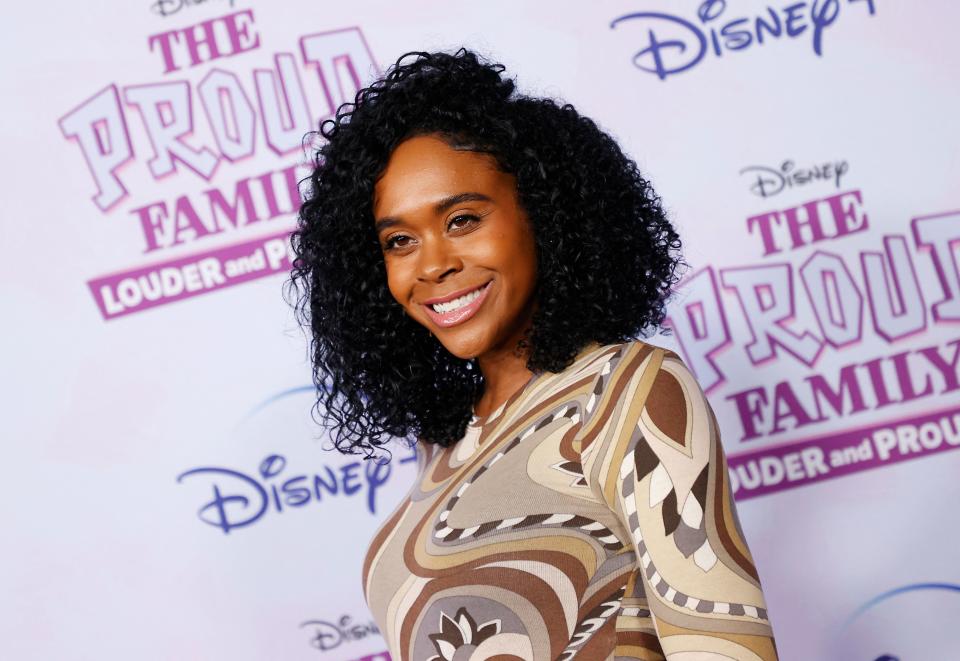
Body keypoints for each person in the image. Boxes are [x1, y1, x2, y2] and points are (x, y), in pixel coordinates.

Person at [289, 47, 778, 660]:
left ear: (545, 213)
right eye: (399, 240)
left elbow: (726, 649)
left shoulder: (626, 391)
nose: (433, 263)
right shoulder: (445, 441)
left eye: (463, 219)